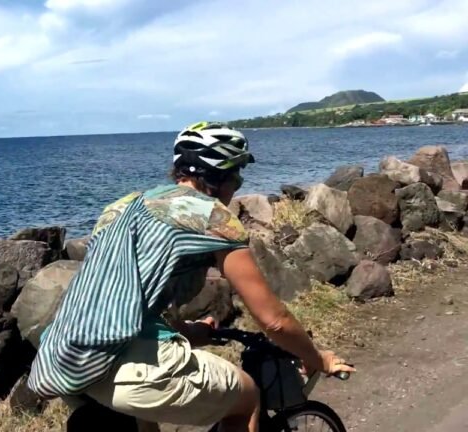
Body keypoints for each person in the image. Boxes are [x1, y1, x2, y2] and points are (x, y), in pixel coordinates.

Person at [27, 121, 355, 432]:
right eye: (236, 179)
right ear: (217, 177)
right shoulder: (213, 216)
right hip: (120, 361)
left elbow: (126, 295)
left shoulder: (122, 207)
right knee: (248, 397)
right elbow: (274, 320)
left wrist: (186, 331)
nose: (236, 188)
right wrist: (317, 358)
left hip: (65, 355)